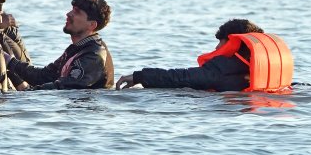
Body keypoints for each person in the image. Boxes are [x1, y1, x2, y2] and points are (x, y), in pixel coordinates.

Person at [116, 19, 273, 91]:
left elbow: (181, 77)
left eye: (221, 42)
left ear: (235, 42)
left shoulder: (223, 70)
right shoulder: (265, 68)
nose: (217, 47)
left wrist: (139, 76)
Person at [5, 0, 114, 90]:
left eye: (77, 12)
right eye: (72, 10)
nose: (68, 14)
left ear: (92, 25)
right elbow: (44, 77)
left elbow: (66, 88)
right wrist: (10, 62)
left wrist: (28, 92)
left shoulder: (94, 55)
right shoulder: (77, 48)